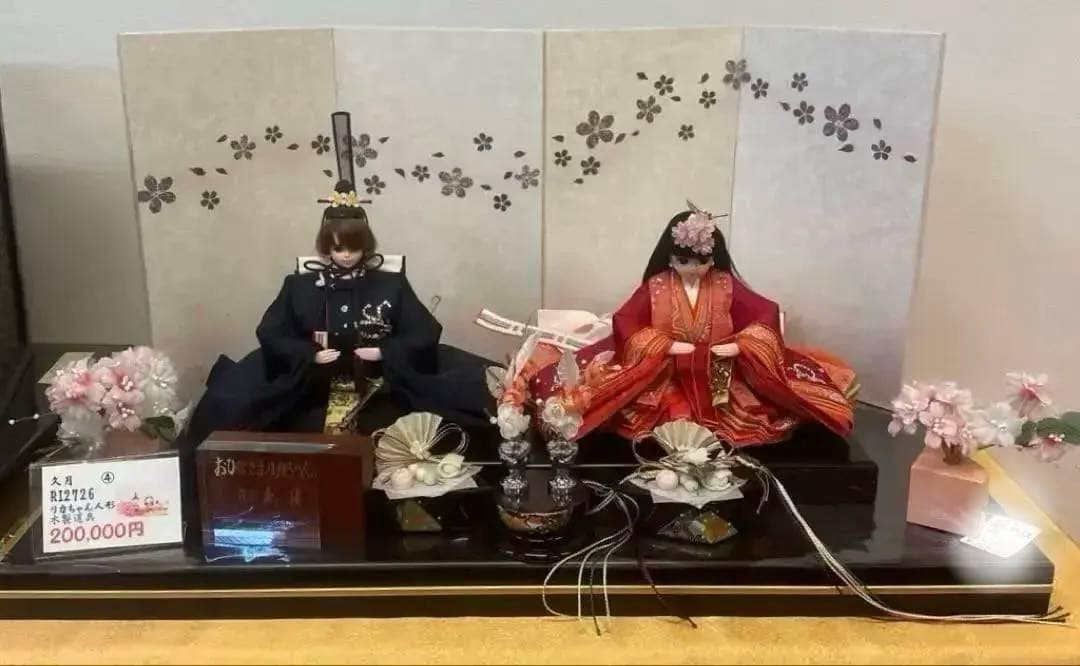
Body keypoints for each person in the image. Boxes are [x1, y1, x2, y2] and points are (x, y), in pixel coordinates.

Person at [183, 179, 494, 444]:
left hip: (380, 386)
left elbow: (424, 330)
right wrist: (309, 355)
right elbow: (272, 332)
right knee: (231, 404)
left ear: (365, 246)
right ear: (326, 247)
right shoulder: (300, 286)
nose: (346, 256)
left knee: (463, 402)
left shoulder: (391, 284)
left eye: (354, 248)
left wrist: (386, 351)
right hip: (310, 389)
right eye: (338, 248)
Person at [532, 203, 857, 446]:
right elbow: (627, 320)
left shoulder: (725, 284)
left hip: (720, 369)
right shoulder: (657, 286)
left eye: (701, 261)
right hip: (664, 370)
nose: (692, 268)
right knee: (636, 406)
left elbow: (763, 311)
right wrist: (663, 344)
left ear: (713, 258)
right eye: (683, 260)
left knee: (754, 407)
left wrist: (742, 344)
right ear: (669, 257)